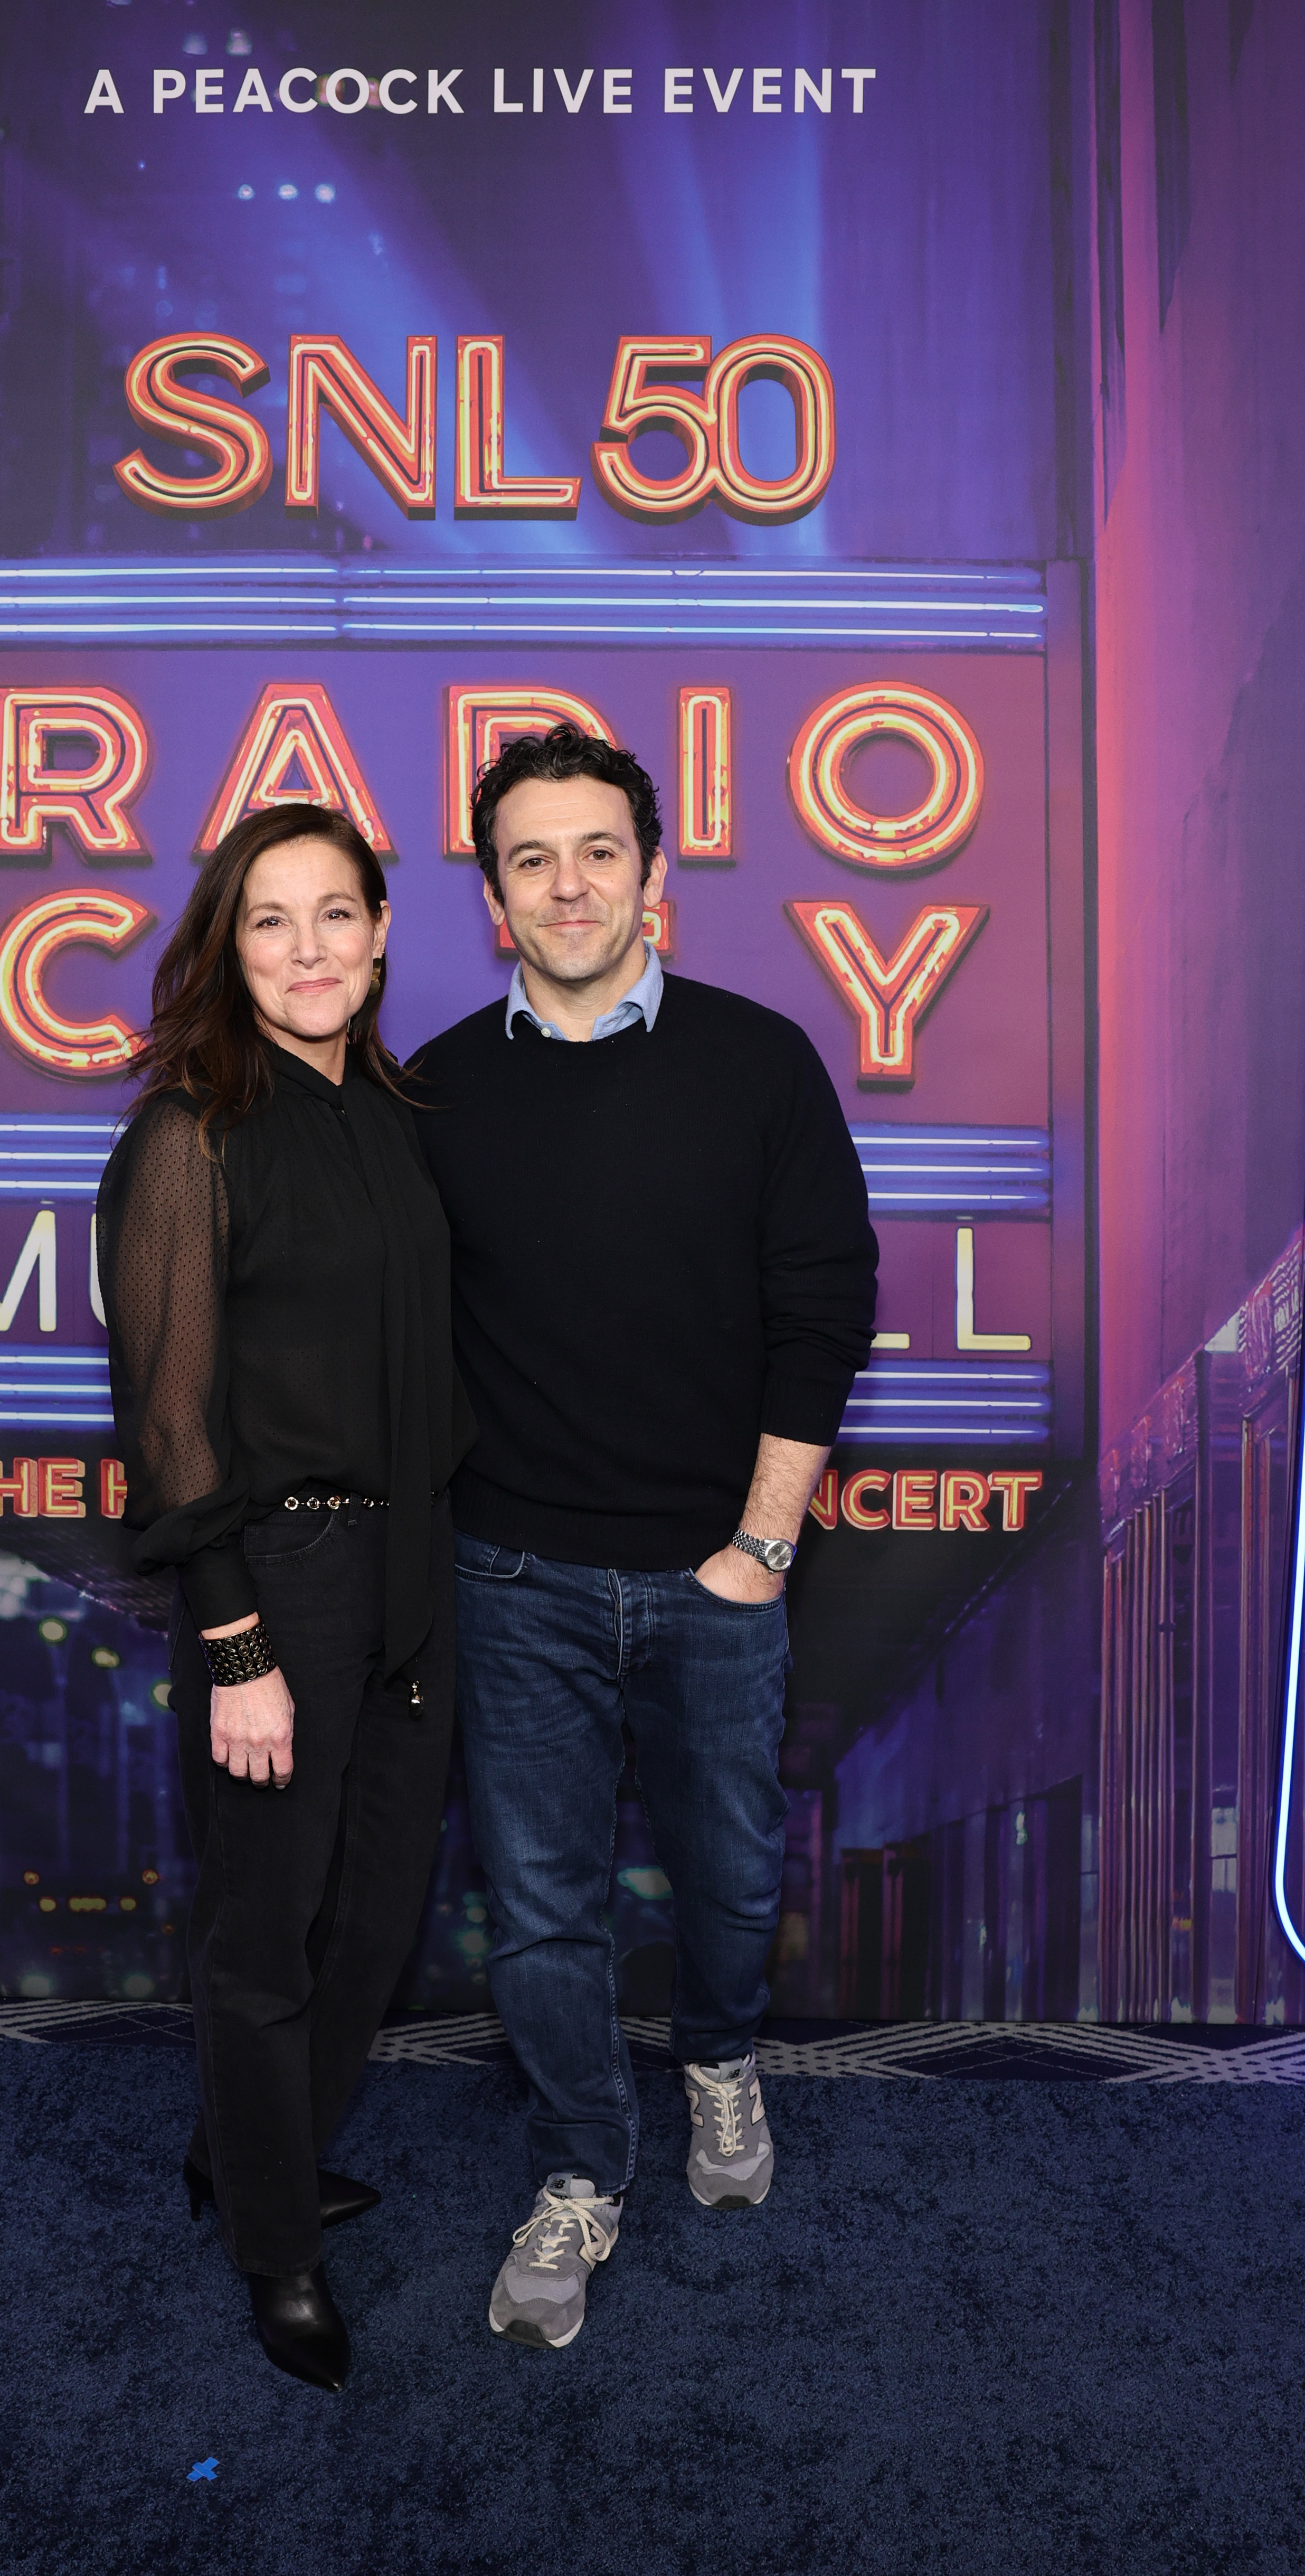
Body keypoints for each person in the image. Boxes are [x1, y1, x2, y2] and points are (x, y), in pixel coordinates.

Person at [411, 725, 877, 2351]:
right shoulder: (442, 1089)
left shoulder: (761, 1062)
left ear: (655, 873)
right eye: (529, 857)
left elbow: (825, 1305)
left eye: (598, 849)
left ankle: (725, 2064)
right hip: (513, 1578)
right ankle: (577, 2172)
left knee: (733, 1882)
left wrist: (757, 1547)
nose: (568, 884)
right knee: (541, 1909)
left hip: (715, 1578)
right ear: (492, 898)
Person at [95, 802, 474, 2393]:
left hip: (412, 1575)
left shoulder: (398, 1118)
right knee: (268, 1934)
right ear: (225, 944)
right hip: (283, 1587)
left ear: (384, 935)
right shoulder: (192, 1131)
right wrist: (237, 1639)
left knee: (374, 1922)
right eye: (271, 919)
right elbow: (170, 1423)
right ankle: (276, 2246)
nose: (309, 947)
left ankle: (249, 2152)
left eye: (337, 914)